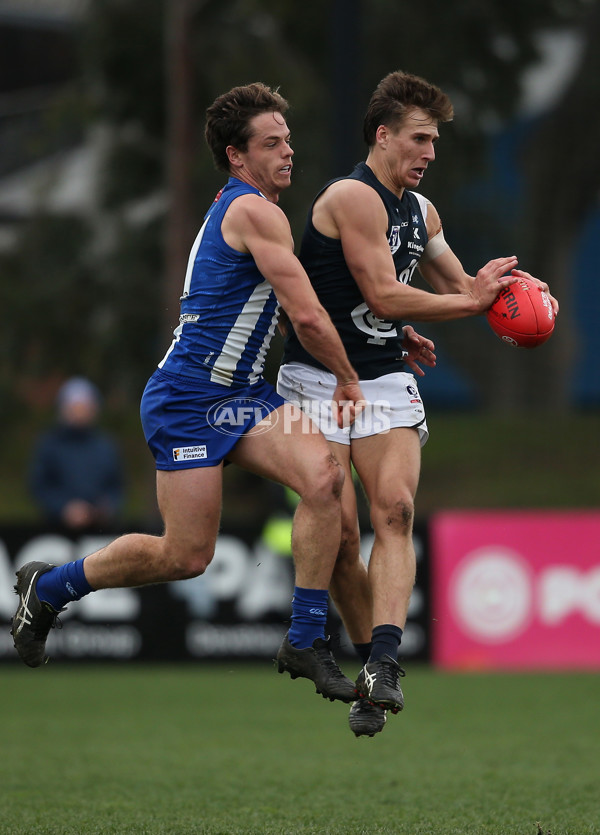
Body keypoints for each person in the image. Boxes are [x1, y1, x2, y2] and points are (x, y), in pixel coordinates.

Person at [11, 83, 366, 704]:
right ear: (236, 155)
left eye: (288, 140)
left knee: (325, 480)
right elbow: (306, 317)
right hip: (188, 395)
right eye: (271, 143)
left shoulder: (258, 213)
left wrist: (385, 331)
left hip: (244, 394)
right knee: (186, 556)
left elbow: (290, 312)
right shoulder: (255, 211)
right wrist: (348, 377)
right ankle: (51, 588)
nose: (289, 151)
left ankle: (306, 639)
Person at [277, 70, 559, 737]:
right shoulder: (351, 197)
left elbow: (458, 281)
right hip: (315, 379)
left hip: (380, 376)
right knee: (343, 537)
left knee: (396, 510)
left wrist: (510, 289)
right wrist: (467, 303)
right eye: (420, 138)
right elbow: (380, 292)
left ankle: (382, 666)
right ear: (383, 135)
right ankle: (332, 645)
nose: (430, 152)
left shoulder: (422, 211)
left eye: (434, 140)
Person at [28, 377, 124, 530]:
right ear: (63, 409)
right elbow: (39, 486)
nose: (80, 412)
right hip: (56, 530)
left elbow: (117, 486)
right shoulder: (50, 445)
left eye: (85, 406)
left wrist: (106, 507)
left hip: (100, 532)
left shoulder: (106, 446)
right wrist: (64, 509)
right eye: (75, 406)